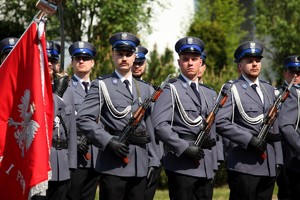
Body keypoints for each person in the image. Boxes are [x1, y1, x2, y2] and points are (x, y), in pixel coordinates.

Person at [76, 32, 159, 200]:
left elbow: (151, 127)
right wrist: (108, 141)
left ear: (134, 56)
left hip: (140, 163)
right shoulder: (101, 85)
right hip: (113, 162)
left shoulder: (145, 89)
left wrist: (154, 160)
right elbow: (83, 119)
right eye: (120, 54)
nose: (124, 58)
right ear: (112, 55)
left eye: (128, 54)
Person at [152, 36, 218, 200]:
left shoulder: (209, 93)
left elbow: (215, 130)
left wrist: (215, 161)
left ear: (200, 62)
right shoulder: (170, 89)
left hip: (205, 163)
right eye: (185, 59)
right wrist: (183, 147)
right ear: (179, 62)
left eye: (194, 59)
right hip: (181, 163)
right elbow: (160, 125)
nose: (190, 63)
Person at [215, 41, 283, 200]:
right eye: (249, 61)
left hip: (268, 164)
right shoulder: (232, 88)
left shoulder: (269, 89)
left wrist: (278, 159)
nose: (254, 64)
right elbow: (220, 122)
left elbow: (275, 128)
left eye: (257, 61)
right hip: (244, 164)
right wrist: (249, 139)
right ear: (240, 65)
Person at [32, 40, 77, 200]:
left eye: (54, 60)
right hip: (40, 163)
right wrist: (57, 95)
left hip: (62, 163)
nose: (50, 64)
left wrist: (72, 163)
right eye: (46, 59)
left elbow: (71, 129)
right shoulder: (32, 88)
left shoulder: (68, 90)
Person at [66, 41, 100, 200]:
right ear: (72, 62)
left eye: (85, 58)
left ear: (92, 62)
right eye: (77, 58)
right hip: (75, 154)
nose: (81, 61)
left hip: (96, 154)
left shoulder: (101, 88)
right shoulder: (64, 88)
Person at [278, 55, 300, 200]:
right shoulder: (278, 94)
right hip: (289, 158)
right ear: (285, 73)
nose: (296, 76)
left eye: (299, 72)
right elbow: (285, 127)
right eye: (292, 72)